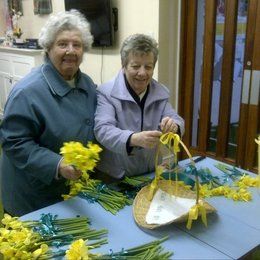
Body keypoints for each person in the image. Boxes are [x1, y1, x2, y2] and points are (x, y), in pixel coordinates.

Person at [0, 10, 96, 216]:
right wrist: (58, 164)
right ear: (49, 47)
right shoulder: (27, 92)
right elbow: (13, 142)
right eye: (63, 44)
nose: (71, 50)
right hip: (32, 195)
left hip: (67, 191)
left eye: (77, 45)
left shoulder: (87, 84)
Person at [94, 33, 185, 180]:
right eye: (135, 66)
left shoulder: (160, 93)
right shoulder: (106, 92)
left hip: (149, 172)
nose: (142, 73)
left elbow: (176, 119)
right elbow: (103, 130)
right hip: (115, 175)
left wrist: (174, 126)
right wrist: (133, 139)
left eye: (148, 67)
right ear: (123, 66)